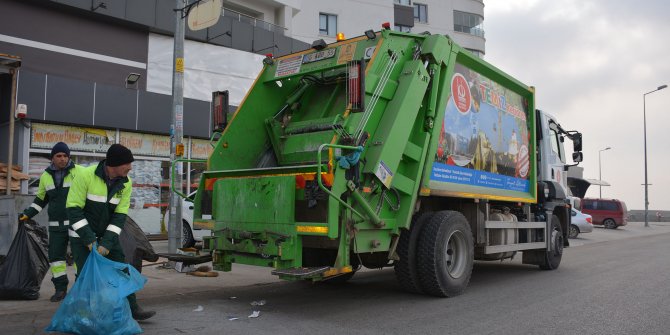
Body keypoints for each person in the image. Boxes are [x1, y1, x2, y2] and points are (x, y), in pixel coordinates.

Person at [66, 143, 156, 321]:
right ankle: (83, 315)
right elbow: (73, 209)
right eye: (127, 164)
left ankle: (132, 308)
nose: (130, 168)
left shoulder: (126, 183)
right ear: (114, 164)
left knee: (122, 270)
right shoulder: (85, 175)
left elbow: (120, 216)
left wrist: (107, 243)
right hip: (81, 237)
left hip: (108, 236)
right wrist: (90, 240)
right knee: (86, 276)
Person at [19, 142, 82, 302]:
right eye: (59, 156)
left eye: (65, 156)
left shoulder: (79, 172)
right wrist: (27, 214)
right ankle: (60, 290)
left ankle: (81, 289)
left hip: (77, 223)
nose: (62, 159)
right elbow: (40, 200)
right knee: (56, 258)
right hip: (56, 225)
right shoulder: (46, 176)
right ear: (52, 158)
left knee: (80, 258)